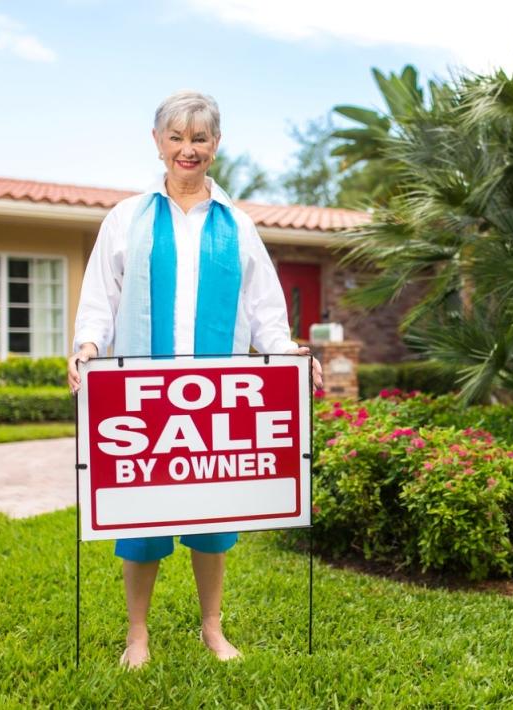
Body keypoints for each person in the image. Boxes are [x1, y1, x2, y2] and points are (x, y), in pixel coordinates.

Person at [67, 90, 322, 669]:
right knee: (143, 520)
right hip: (142, 393)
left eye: (199, 138)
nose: (188, 149)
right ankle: (138, 634)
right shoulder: (127, 218)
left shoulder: (237, 226)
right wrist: (87, 347)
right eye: (177, 137)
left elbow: (264, 310)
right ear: (157, 142)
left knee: (213, 515)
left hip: (216, 396)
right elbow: (101, 299)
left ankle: (213, 628)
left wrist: (290, 355)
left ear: (216, 145)